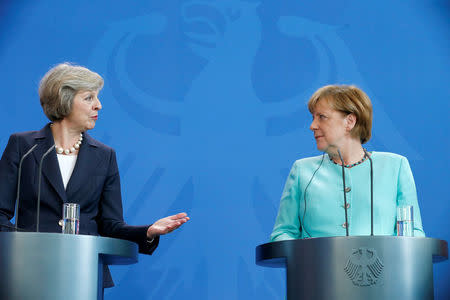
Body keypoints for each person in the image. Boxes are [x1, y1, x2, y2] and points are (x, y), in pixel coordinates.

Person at [0, 63, 189, 289]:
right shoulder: (23, 146)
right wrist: (28, 244)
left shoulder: (105, 156)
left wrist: (147, 232)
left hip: (83, 275)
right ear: (64, 99)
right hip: (27, 271)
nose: (98, 105)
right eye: (89, 98)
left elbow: (110, 225)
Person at [270, 84, 424, 241]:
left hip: (382, 265)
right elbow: (282, 233)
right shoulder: (302, 170)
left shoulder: (395, 166)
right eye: (313, 118)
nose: (312, 126)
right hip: (316, 265)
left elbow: (414, 234)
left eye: (321, 117)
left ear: (349, 121)